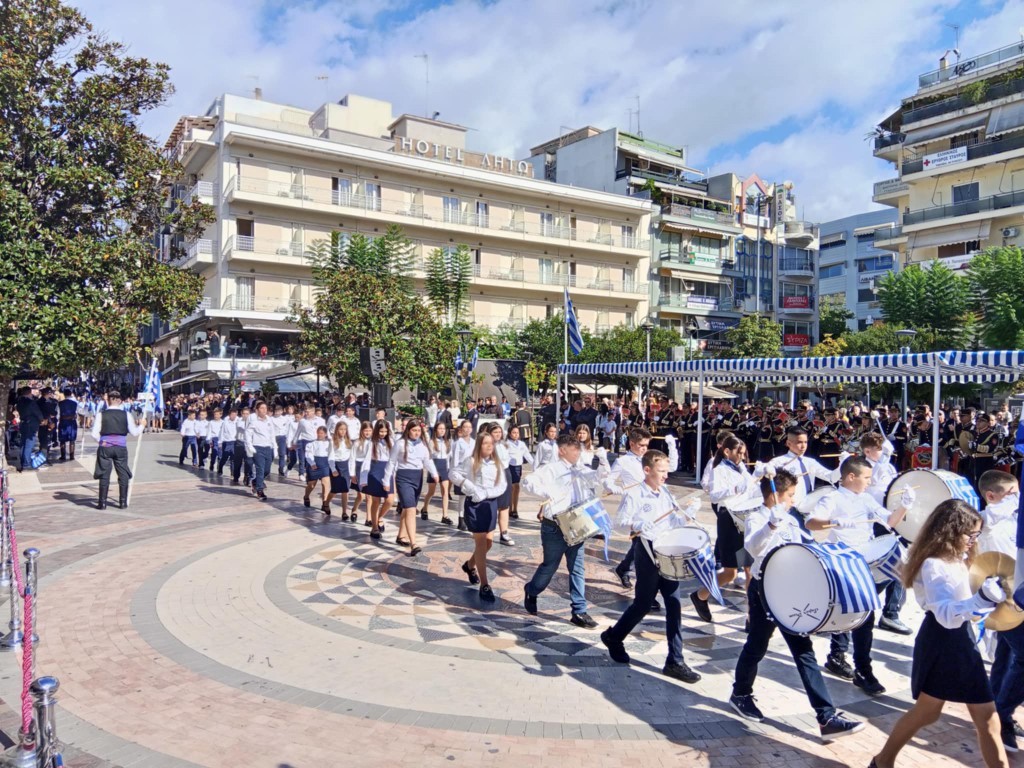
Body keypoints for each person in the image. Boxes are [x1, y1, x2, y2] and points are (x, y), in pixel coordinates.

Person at [871, 499, 1009, 768]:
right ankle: (882, 761)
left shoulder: (957, 558)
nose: (974, 540)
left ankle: (881, 762)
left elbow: (965, 608)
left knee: (956, 715)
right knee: (951, 714)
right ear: (951, 531)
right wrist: (981, 599)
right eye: (971, 534)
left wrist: (987, 599)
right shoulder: (934, 564)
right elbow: (945, 614)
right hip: (946, 641)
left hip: (957, 639)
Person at [729, 469, 866, 741]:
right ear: (775, 495)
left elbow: (805, 545)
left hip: (789, 590)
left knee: (803, 650)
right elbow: (752, 549)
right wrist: (770, 525)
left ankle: (826, 716)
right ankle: (741, 693)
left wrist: (834, 526)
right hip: (764, 590)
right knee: (757, 644)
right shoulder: (758, 516)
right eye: (790, 495)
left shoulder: (790, 518)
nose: (793, 501)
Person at [812, 456, 915, 695]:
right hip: (842, 562)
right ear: (850, 477)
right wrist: (833, 522)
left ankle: (856, 666)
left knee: (863, 615)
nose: (870, 482)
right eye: (866, 478)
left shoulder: (866, 498)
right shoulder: (833, 498)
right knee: (853, 613)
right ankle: (849, 662)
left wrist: (905, 505)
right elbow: (811, 523)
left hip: (864, 562)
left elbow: (889, 522)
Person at [600, 450, 702, 682]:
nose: (666, 475)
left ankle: (675, 661)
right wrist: (639, 523)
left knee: (674, 605)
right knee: (642, 605)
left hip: (667, 553)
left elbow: (672, 522)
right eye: (661, 471)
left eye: (667, 471)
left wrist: (687, 516)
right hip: (647, 554)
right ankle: (614, 637)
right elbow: (619, 522)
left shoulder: (665, 493)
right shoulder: (635, 493)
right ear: (647, 470)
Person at [521, 434, 609, 628]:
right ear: (562, 450)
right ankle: (532, 590)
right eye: (574, 449)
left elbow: (598, 478)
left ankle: (579, 610)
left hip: (576, 523)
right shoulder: (550, 469)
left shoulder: (579, 469)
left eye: (579, 449)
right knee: (550, 566)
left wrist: (602, 461)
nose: (578, 453)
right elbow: (528, 483)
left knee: (577, 567)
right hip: (554, 525)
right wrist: (545, 493)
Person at [980, 470, 1024, 752]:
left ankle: (998, 708)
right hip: (1000, 599)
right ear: (991, 496)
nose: (1017, 499)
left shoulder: (1010, 519)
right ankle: (1002, 714)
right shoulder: (986, 520)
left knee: (1007, 657)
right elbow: (990, 520)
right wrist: (1008, 503)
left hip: (1015, 594)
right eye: (1011, 494)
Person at [450, 431, 508, 602]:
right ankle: (485, 584)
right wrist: (468, 486)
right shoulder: (471, 461)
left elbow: (502, 485)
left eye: (491, 443)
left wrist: (487, 493)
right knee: (481, 543)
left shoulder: (497, 463)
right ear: (479, 445)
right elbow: (453, 473)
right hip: (475, 504)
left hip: (489, 503)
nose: (489, 446)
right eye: (485, 443)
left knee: (488, 543)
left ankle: (469, 565)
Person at [383, 418, 438, 557]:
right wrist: (386, 480)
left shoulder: (423, 445)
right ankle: (414, 543)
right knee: (411, 509)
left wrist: (434, 473)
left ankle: (400, 535)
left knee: (409, 508)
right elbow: (391, 461)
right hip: (403, 477)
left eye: (419, 430)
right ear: (408, 430)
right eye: (414, 430)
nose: (416, 433)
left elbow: (427, 460)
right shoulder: (400, 444)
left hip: (417, 477)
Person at [606, 427, 652, 590]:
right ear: (631, 444)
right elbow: (609, 481)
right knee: (641, 544)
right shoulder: (622, 461)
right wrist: (616, 488)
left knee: (643, 544)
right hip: (634, 507)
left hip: (651, 504)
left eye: (647, 445)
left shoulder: (649, 458)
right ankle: (645, 587)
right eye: (641, 445)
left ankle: (624, 568)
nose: (644, 448)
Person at [90, 390, 143, 509]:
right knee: (123, 474)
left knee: (104, 474)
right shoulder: (127, 415)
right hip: (120, 447)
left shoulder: (101, 414)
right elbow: (134, 433)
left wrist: (102, 440)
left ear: (108, 400)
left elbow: (94, 434)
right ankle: (122, 502)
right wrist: (142, 425)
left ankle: (102, 503)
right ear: (120, 401)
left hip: (105, 447)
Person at [361, 419, 395, 540]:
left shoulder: (391, 441)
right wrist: (363, 479)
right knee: (376, 501)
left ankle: (380, 517)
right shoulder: (371, 443)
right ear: (377, 431)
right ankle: (374, 527)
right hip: (375, 470)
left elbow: (394, 459)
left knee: (390, 499)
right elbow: (366, 461)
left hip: (387, 470)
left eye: (385, 431)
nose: (383, 434)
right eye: (381, 431)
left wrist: (394, 473)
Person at [487, 423, 516, 546]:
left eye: (499, 432)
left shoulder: (505, 444)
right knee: (492, 505)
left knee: (504, 506)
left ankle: (504, 533)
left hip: (505, 473)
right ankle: (488, 533)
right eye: (495, 432)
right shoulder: (487, 446)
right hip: (493, 475)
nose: (498, 434)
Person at [421, 421, 453, 525]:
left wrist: (449, 469)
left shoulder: (447, 442)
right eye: (440, 429)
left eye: (443, 429)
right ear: (435, 430)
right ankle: (425, 508)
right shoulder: (431, 442)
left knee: (445, 492)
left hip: (444, 466)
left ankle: (445, 515)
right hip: (435, 465)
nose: (442, 431)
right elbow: (428, 456)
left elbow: (448, 457)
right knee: (432, 492)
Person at [245, 401, 277, 501]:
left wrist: (275, 447)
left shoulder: (269, 420)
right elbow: (248, 433)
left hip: (268, 447)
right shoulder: (254, 421)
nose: (264, 410)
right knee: (260, 469)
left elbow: (272, 434)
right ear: (257, 410)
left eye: (265, 408)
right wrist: (249, 446)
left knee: (267, 470)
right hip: (258, 447)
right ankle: (260, 490)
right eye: (262, 408)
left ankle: (255, 481)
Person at [450, 420, 475, 532]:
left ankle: (470, 517)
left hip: (471, 472)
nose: (468, 429)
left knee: (471, 495)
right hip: (460, 473)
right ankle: (461, 519)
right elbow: (454, 460)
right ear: (461, 429)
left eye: (470, 427)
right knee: (462, 497)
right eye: (465, 427)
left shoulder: (474, 442)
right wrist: (454, 473)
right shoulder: (458, 443)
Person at [504, 424, 532, 519]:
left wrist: (535, 465)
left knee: (516, 487)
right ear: (509, 433)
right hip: (509, 466)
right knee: (511, 487)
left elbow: (527, 455)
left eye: (517, 433)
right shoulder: (506, 443)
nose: (515, 434)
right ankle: (510, 508)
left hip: (518, 467)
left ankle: (515, 508)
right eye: (513, 432)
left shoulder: (521, 444)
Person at [303, 425, 332, 512]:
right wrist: (312, 463)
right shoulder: (311, 444)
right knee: (312, 484)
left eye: (322, 433)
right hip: (315, 463)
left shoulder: (329, 443)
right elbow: (308, 454)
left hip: (325, 463)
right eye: (318, 433)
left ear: (326, 434)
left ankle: (325, 503)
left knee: (325, 483)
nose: (320, 435)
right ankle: (306, 496)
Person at [351, 421, 373, 525]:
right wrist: (352, 473)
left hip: (369, 467)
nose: (368, 433)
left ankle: (368, 518)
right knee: (361, 495)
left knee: (369, 495)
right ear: (362, 431)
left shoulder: (374, 442)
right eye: (366, 430)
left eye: (369, 430)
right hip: (359, 466)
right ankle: (354, 509)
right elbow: (352, 458)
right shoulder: (357, 442)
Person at [57, 388, 79, 462]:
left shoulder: (60, 403)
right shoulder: (75, 403)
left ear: (64, 394)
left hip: (63, 422)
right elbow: (77, 413)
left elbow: (57, 413)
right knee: (72, 440)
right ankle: (71, 456)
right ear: (71, 394)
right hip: (72, 423)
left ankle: (63, 456)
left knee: (62, 440)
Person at [217, 408, 238, 476]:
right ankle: (220, 468)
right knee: (225, 457)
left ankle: (233, 472)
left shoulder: (238, 421)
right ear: (229, 415)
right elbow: (221, 432)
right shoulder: (225, 423)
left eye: (235, 415)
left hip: (235, 442)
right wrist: (220, 442)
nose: (233, 416)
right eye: (232, 415)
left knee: (233, 458)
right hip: (227, 442)